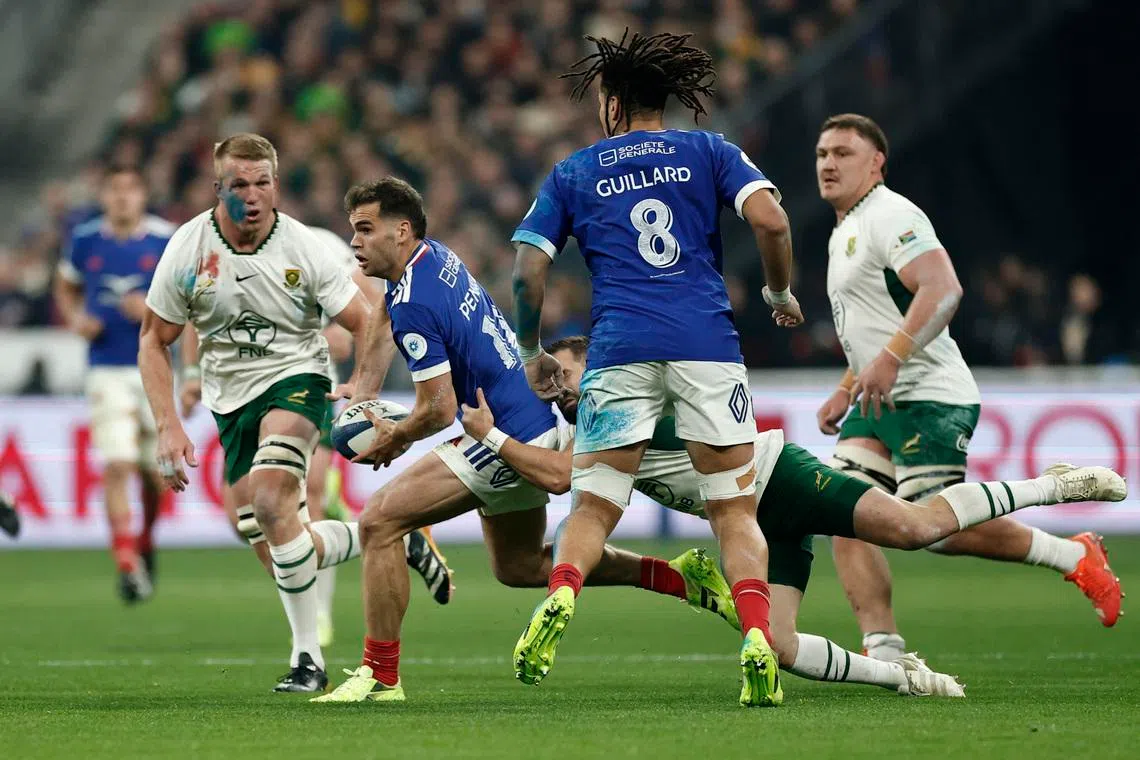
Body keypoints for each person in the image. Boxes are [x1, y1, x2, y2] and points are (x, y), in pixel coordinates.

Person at [458, 335, 1128, 697]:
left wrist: (488, 435)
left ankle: (1050, 485)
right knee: (777, 646)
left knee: (916, 528)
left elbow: (553, 475)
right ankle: (904, 678)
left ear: (593, 364)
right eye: (551, 383)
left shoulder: (619, 394)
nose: (557, 386)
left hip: (781, 479)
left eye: (563, 372)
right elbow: (563, 474)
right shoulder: (594, 430)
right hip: (748, 519)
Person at [313, 178, 736, 704]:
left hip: (505, 430)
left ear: (400, 232)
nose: (354, 241)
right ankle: (679, 578)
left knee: (379, 521)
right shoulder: (429, 258)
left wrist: (394, 437)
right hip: (530, 420)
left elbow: (440, 407)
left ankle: (380, 676)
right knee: (517, 568)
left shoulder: (417, 301)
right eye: (352, 229)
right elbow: (381, 313)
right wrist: (365, 391)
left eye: (364, 228)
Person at [510, 30, 802, 707]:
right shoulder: (709, 149)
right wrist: (778, 292)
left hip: (617, 349)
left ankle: (561, 593)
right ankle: (757, 635)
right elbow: (773, 221)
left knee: (596, 501)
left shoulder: (576, 170)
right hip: (707, 344)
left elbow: (528, 272)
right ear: (667, 99)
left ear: (612, 103)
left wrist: (533, 351)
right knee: (731, 507)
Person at [813, 114, 1123, 661]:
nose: (828, 163)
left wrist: (887, 359)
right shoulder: (845, 229)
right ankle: (884, 647)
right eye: (822, 154)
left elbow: (943, 287)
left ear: (876, 162)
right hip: (878, 396)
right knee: (844, 513)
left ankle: (1071, 554)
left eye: (843, 152)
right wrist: (848, 383)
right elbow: (877, 321)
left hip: (930, 392)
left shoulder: (892, 213)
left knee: (935, 529)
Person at [139, 133, 375, 693]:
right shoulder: (189, 248)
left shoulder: (305, 248)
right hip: (230, 398)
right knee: (257, 525)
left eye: (262, 182)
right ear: (217, 187)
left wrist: (362, 387)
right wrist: (169, 424)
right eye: (239, 184)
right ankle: (385, 530)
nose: (252, 194)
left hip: (299, 379)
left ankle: (307, 659)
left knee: (273, 498)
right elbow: (155, 338)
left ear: (276, 183)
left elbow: (364, 320)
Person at [177, 227, 454, 650]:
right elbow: (195, 314)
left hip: (304, 386)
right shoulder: (212, 251)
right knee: (249, 521)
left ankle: (313, 626)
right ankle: (389, 533)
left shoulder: (317, 246)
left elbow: (364, 321)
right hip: (239, 394)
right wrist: (194, 374)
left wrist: (354, 375)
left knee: (304, 495)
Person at [54, 164, 174, 602]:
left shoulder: (166, 239)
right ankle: (126, 562)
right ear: (104, 196)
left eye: (131, 189)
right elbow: (65, 285)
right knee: (117, 464)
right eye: (115, 190)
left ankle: (144, 542)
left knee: (153, 475)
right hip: (105, 365)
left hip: (155, 366)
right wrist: (74, 318)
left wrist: (152, 309)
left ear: (143, 195)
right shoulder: (85, 239)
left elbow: (192, 300)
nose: (123, 198)